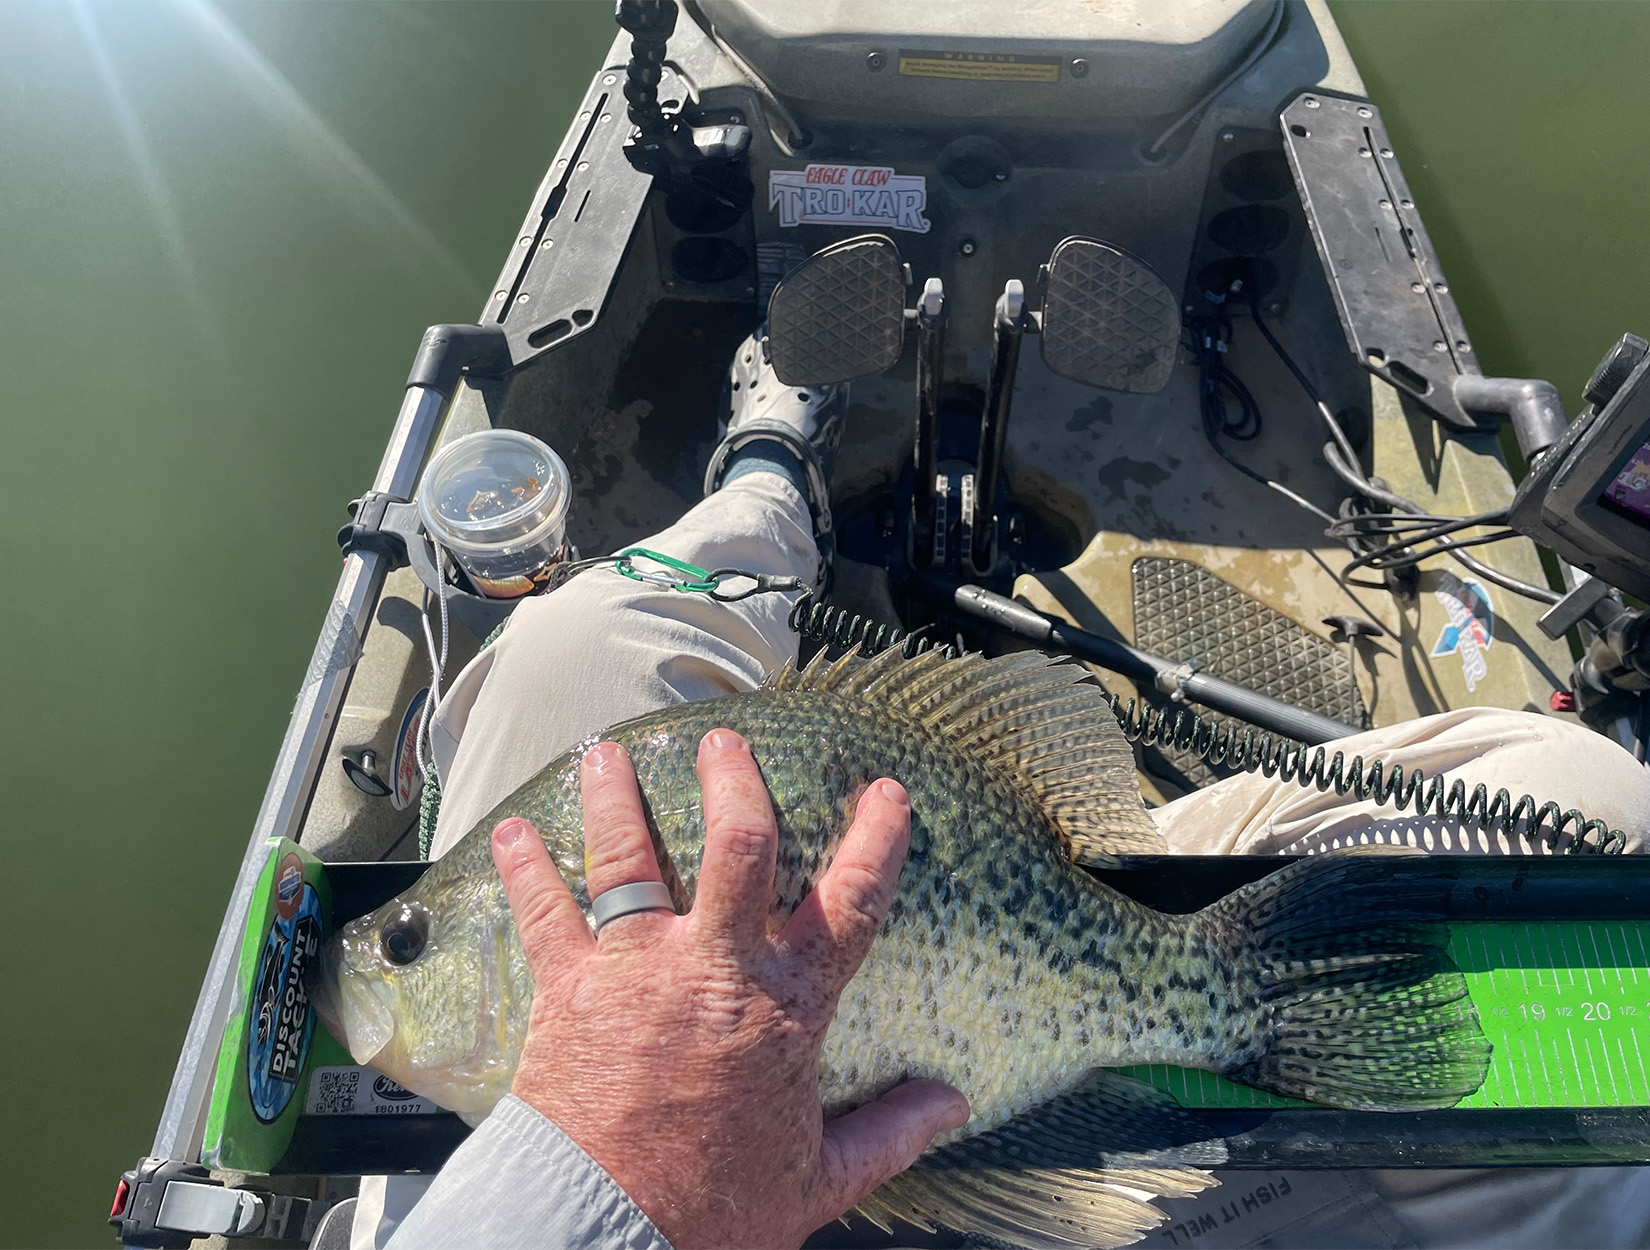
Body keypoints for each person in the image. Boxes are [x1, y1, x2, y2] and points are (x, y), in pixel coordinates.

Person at [358, 333, 1650, 1250]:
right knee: (1599, 795)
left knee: (575, 640)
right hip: (996, 1151)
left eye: (408, 933)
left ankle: (764, 468)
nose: (391, 949)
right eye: (409, 934)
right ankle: (762, 475)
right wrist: (635, 1190)